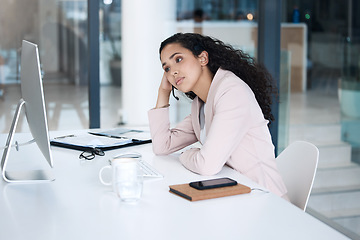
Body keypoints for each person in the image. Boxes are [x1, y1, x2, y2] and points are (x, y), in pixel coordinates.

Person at [148, 33, 288, 199]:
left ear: (203, 58)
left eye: (178, 59)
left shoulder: (232, 91)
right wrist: (163, 92)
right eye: (167, 69)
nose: (173, 72)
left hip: (265, 198)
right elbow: (162, 146)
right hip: (233, 194)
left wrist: (187, 154)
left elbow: (207, 165)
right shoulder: (200, 105)